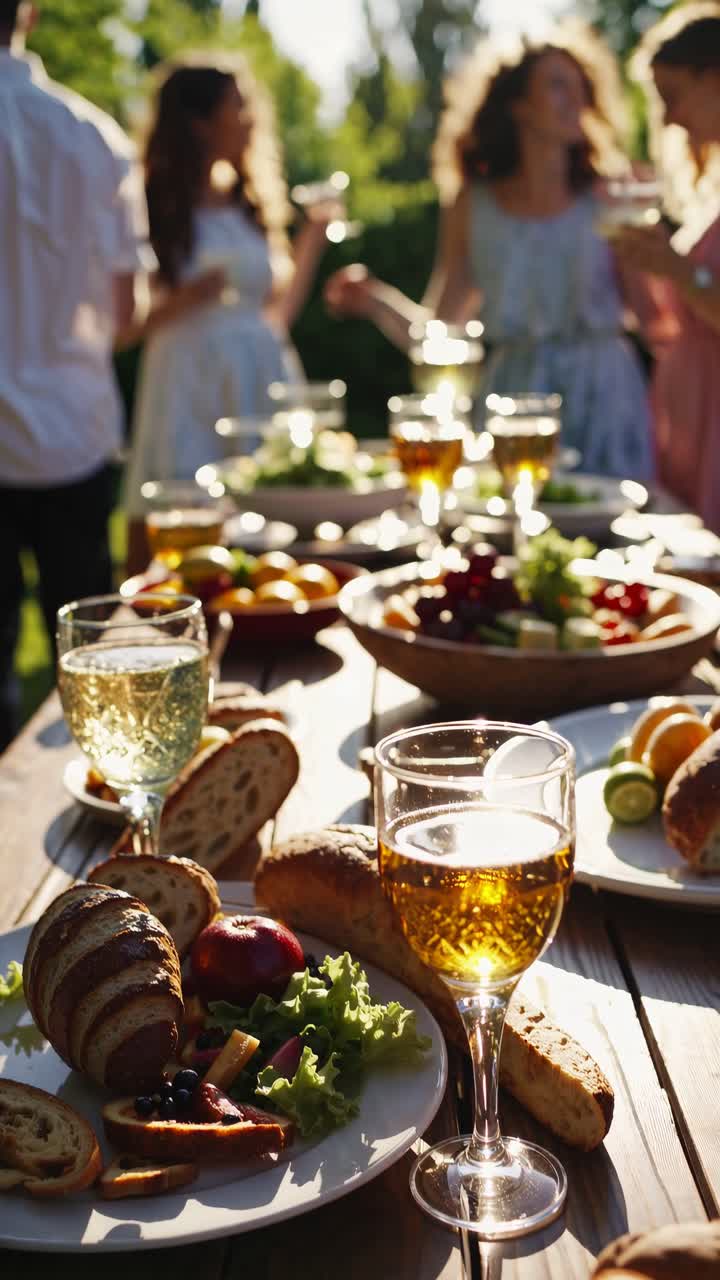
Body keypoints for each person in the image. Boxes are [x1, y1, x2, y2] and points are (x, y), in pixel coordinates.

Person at [325, 25, 655, 481]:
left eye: (581, 86)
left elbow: (654, 322)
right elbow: (442, 334)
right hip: (513, 406)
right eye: (557, 84)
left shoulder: (611, 195)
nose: (575, 98)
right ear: (517, 105)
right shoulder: (472, 204)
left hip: (608, 397)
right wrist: (376, 302)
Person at [0, 0, 148, 750]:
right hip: (72, 428)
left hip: (59, 429)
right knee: (86, 668)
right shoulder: (94, 135)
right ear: (25, 14)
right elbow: (126, 314)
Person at [123, 56, 338, 562]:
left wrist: (312, 239)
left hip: (261, 370)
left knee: (272, 515)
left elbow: (276, 313)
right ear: (198, 122)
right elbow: (123, 328)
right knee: (182, 508)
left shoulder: (248, 203)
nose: (250, 119)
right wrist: (186, 299)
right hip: (187, 377)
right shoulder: (151, 201)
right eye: (237, 107)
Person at [614, 4, 720, 533]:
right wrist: (641, 265)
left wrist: (678, 270)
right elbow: (668, 328)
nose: (670, 119)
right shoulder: (709, 195)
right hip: (687, 412)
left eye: (672, 97)